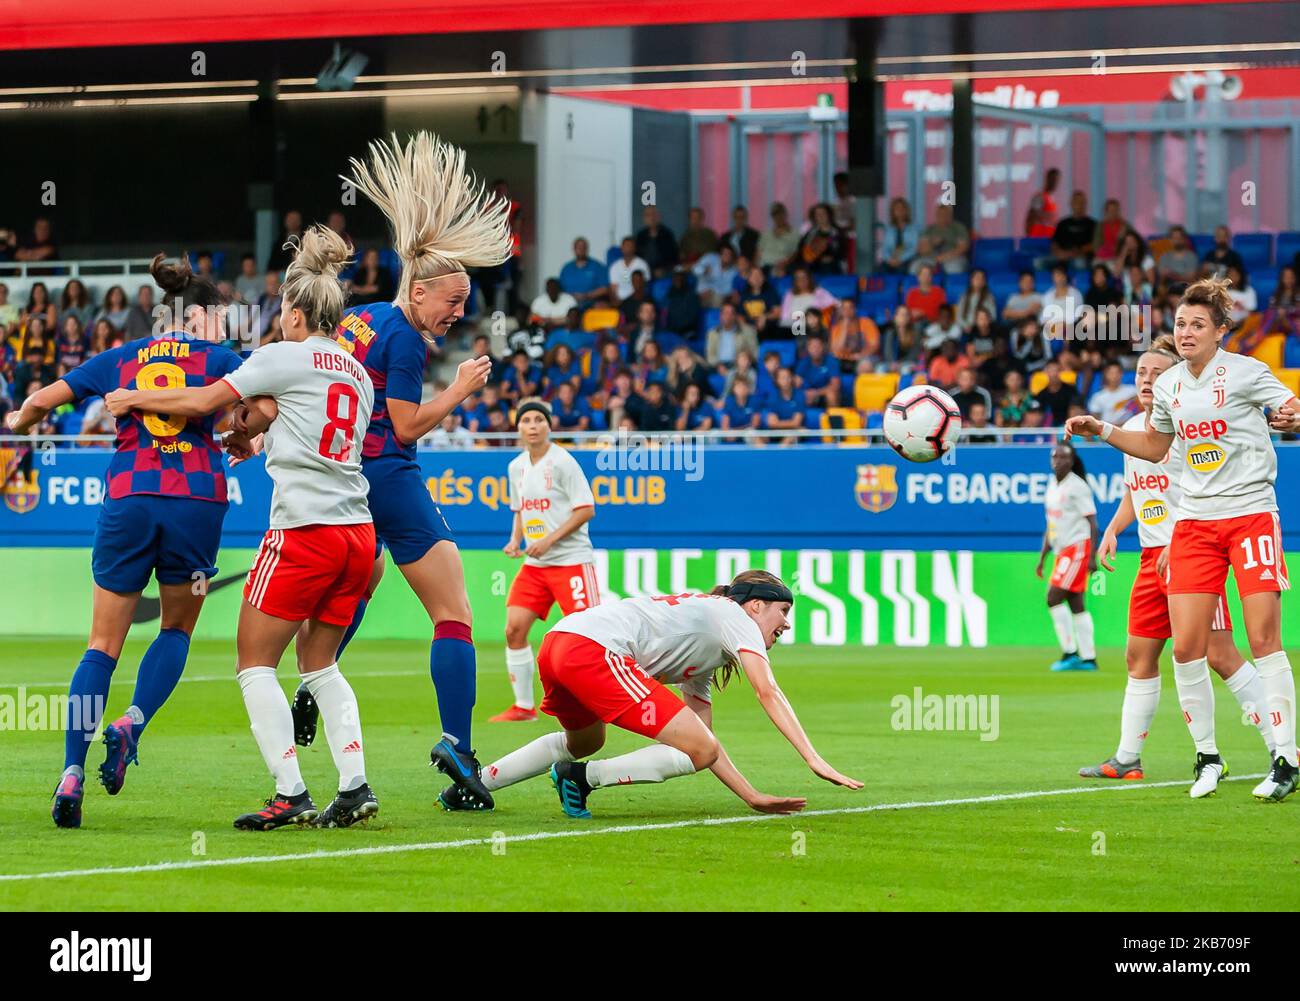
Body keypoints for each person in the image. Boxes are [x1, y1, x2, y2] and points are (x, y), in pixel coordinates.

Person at [106, 228, 382, 829]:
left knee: (255, 662)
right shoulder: (357, 375)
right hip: (358, 534)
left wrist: (133, 397)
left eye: (282, 309)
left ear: (299, 313)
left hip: (305, 532)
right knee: (320, 665)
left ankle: (290, 793)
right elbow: (297, 422)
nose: (277, 319)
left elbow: (206, 401)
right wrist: (252, 435)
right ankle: (355, 786)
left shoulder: (282, 356)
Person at [298, 132, 513, 810]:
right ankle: (456, 741)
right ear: (418, 290)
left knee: (355, 591)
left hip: (343, 482)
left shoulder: (356, 322)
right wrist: (461, 389)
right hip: (388, 475)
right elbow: (408, 424)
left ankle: (311, 685)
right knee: (454, 610)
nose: (456, 315)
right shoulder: (403, 337)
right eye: (450, 302)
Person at [5, 255, 240, 828]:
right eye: (223, 319)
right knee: (176, 628)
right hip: (197, 499)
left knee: (101, 645)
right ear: (203, 317)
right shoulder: (224, 359)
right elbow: (256, 414)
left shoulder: (121, 357)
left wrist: (19, 423)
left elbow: (42, 401)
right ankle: (132, 720)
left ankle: (70, 771)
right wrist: (240, 437)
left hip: (129, 496)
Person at [1065, 277, 1300, 801]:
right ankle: (1208, 758)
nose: (1187, 331)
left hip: (1250, 514)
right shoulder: (1170, 388)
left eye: (1198, 324)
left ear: (1220, 331)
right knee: (1188, 650)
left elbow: (1289, 406)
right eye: (1180, 323)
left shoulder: (1246, 372)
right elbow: (1153, 445)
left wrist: (1291, 415)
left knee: (1263, 641)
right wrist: (1100, 429)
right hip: (1193, 524)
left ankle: (1285, 757)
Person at [452, 572, 862, 817]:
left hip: (561, 641)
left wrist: (751, 795)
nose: (786, 624)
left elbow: (704, 743)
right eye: (783, 612)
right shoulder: (733, 616)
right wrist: (813, 759)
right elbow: (766, 691)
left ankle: (473, 783)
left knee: (586, 740)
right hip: (593, 648)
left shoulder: (707, 642)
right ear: (755, 605)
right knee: (694, 748)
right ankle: (579, 778)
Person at [484, 400, 600, 728]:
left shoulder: (563, 462)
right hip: (536, 566)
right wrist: (515, 539)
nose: (533, 425)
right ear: (518, 428)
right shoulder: (516, 466)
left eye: (539, 419)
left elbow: (586, 509)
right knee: (514, 629)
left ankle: (596, 700)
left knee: (589, 636)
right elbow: (521, 508)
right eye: (526, 420)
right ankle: (523, 706)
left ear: (549, 426)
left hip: (572, 561)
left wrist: (549, 540)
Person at [1036, 441, 1099, 672]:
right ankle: (1089, 658)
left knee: (1053, 597)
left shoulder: (1077, 486)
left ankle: (1070, 652)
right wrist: (1043, 556)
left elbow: (1092, 522)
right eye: (1054, 457)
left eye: (1062, 458)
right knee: (1076, 603)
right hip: (1061, 549)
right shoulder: (1052, 485)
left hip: (1077, 547)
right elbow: (1051, 523)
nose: (1057, 461)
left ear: (1071, 461)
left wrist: (1092, 556)